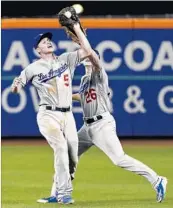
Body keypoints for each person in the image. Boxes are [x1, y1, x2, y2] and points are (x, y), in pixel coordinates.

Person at [10, 30, 98, 204]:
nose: (48, 42)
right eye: (43, 42)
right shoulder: (32, 68)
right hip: (48, 114)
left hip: (67, 115)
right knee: (61, 148)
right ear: (37, 50)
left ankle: (55, 192)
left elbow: (88, 51)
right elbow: (17, 85)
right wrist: (15, 87)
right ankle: (64, 193)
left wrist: (79, 33)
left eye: (49, 40)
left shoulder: (66, 59)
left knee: (73, 156)